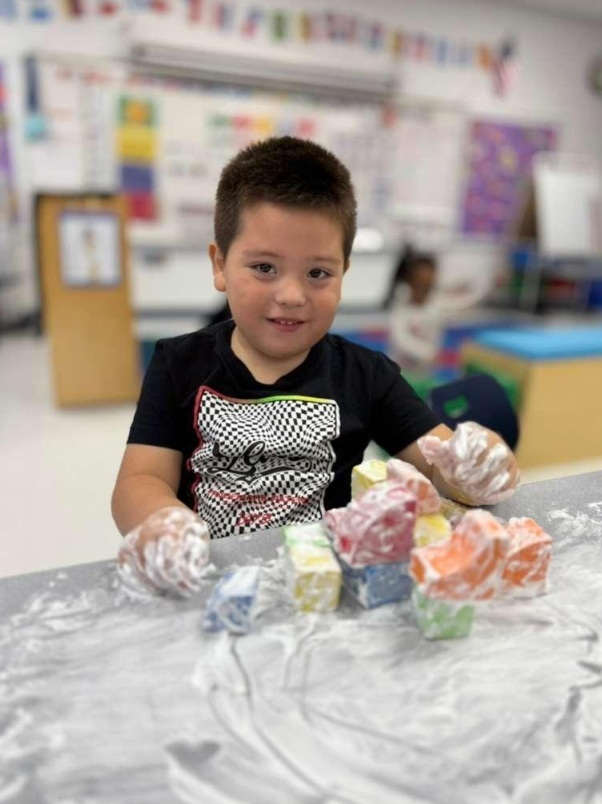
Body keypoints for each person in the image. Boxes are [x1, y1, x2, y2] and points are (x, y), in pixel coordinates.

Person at [111, 136, 519, 596]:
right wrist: (161, 523)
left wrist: (478, 463)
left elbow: (440, 461)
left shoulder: (367, 375)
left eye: (318, 273)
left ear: (343, 273)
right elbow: (140, 480)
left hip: (327, 596)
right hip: (213, 585)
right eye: (264, 267)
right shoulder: (178, 364)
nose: (291, 295)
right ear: (220, 264)